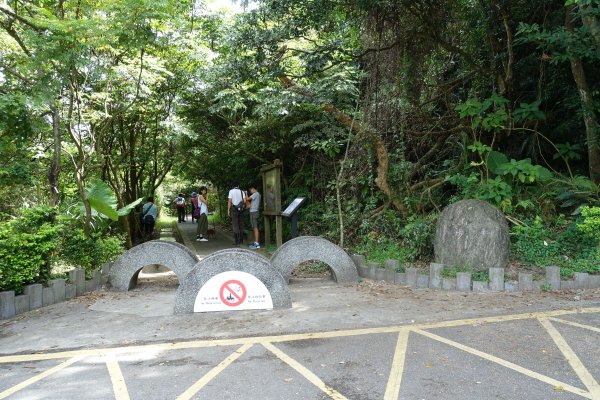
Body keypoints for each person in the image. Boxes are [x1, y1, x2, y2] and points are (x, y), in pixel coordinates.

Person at [227, 181, 246, 245]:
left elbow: (230, 201)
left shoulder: (231, 191)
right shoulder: (242, 191)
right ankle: (241, 240)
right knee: (241, 223)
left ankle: (236, 241)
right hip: (241, 210)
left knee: (235, 224)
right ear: (238, 185)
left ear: (233, 186)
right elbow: (245, 201)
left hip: (234, 209)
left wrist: (228, 210)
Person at [247, 184, 261, 249]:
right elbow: (250, 204)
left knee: (255, 227)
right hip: (253, 212)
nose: (250, 192)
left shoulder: (256, 194)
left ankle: (257, 244)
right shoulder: (257, 195)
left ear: (253, 188)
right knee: (254, 227)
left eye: (250, 190)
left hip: (254, 212)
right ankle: (255, 242)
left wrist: (245, 193)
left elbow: (247, 199)